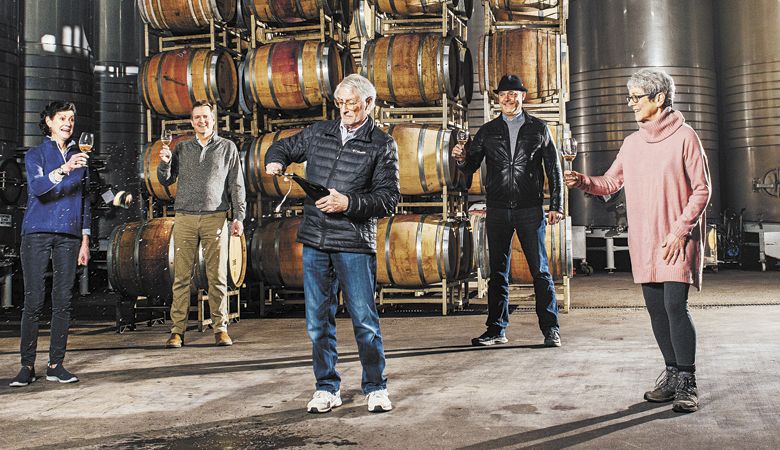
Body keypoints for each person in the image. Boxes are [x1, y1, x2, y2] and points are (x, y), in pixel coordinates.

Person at [564, 68, 711, 413]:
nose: (630, 103)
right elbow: (611, 183)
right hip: (645, 239)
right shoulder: (632, 143)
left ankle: (688, 382)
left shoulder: (685, 137)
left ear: (658, 99)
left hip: (676, 237)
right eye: (628, 96)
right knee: (656, 309)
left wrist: (680, 230)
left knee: (675, 306)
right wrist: (583, 180)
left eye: (635, 97)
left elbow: (702, 189)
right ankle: (672, 374)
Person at [265, 74, 400, 414]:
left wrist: (348, 203)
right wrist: (276, 159)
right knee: (317, 320)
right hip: (315, 241)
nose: (344, 110)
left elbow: (388, 199)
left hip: (353, 242)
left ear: (368, 103)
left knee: (364, 320)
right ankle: (326, 387)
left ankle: (376, 386)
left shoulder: (381, 144)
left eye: (351, 104)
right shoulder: (318, 133)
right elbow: (283, 145)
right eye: (339, 103)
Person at [453, 74, 564, 348]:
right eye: (504, 94)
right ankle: (496, 329)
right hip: (498, 210)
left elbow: (555, 169)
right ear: (497, 98)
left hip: (530, 210)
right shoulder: (488, 131)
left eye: (514, 93)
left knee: (540, 271)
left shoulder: (539, 128)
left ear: (522, 97)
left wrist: (557, 205)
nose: (508, 98)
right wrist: (460, 158)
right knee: (498, 273)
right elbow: (470, 167)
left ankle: (551, 330)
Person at [10, 101, 91, 387]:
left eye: (71, 118)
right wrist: (65, 169)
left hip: (69, 236)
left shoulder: (81, 158)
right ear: (48, 121)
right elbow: (38, 189)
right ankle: (26, 366)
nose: (68, 123)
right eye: (62, 118)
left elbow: (84, 201)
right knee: (33, 300)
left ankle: (56, 364)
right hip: (37, 232)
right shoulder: (36, 154)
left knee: (63, 302)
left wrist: (85, 239)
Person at [158, 100, 246, 348]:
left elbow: (236, 185)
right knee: (181, 277)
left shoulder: (227, 148)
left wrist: (238, 216)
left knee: (217, 276)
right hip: (184, 217)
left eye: (205, 117)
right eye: (197, 117)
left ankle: (220, 328)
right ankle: (177, 331)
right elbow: (165, 180)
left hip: (215, 217)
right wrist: (164, 161)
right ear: (192, 120)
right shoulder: (182, 148)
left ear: (213, 118)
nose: (201, 121)